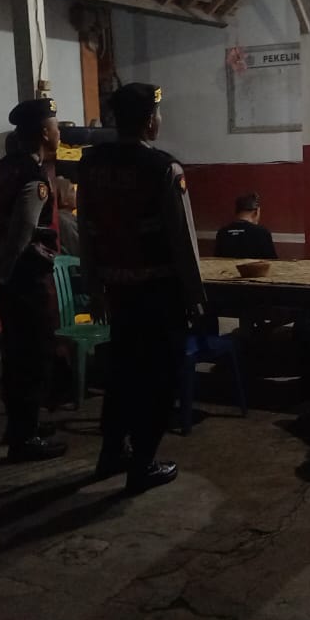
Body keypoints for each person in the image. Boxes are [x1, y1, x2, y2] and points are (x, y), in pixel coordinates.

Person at [77, 83, 205, 494]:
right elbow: (182, 240)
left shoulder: (91, 164)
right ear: (150, 120)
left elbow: (86, 230)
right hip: (159, 292)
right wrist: (195, 297)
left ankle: (113, 452)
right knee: (159, 379)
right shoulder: (164, 169)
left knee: (122, 372)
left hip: (117, 291)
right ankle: (143, 464)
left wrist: (94, 286)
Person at [0, 97, 64, 462]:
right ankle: (25, 438)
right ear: (43, 132)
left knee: (16, 353)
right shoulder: (33, 176)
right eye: (55, 125)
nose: (59, 132)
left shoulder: (2, 168)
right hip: (26, 278)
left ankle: (21, 425)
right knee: (32, 355)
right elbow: (21, 234)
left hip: (8, 279)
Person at [214, 192, 278, 259]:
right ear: (256, 212)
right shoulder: (262, 233)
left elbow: (216, 261)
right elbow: (272, 261)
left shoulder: (222, 233)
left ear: (237, 211)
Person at [54, 176, 81, 256]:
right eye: (72, 190)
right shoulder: (64, 221)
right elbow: (79, 250)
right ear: (64, 199)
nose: (76, 193)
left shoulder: (67, 217)